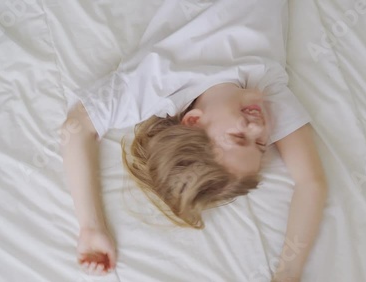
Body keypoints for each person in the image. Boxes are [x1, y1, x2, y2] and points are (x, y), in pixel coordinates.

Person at [61, 0, 327, 281]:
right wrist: (287, 273)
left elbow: (78, 127)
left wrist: (90, 227)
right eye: (261, 145)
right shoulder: (266, 90)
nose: (257, 129)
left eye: (238, 137)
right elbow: (311, 182)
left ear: (194, 121)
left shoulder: (161, 81)